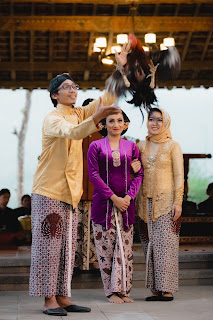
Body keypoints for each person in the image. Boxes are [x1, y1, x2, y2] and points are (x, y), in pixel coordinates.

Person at [29, 43, 130, 317]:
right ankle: (48, 299)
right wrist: (96, 116)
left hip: (70, 194)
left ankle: (63, 296)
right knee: (49, 248)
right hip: (49, 191)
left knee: (67, 250)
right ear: (54, 95)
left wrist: (119, 69)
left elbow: (106, 99)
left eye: (75, 87)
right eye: (67, 88)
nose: (73, 91)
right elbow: (74, 133)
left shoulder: (77, 112)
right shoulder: (53, 118)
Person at [87, 110, 143, 304]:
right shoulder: (95, 146)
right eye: (111, 120)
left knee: (124, 249)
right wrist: (114, 198)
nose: (116, 124)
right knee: (106, 250)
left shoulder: (132, 147)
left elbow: (139, 174)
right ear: (103, 124)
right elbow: (94, 175)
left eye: (120, 120)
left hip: (126, 206)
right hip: (104, 205)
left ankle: (124, 290)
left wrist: (128, 197)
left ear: (125, 124)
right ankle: (111, 292)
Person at [134, 107, 184, 302]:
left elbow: (179, 176)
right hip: (143, 201)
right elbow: (134, 173)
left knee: (166, 245)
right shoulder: (139, 146)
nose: (154, 123)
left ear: (166, 123)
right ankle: (155, 289)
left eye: (159, 120)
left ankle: (167, 289)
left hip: (166, 202)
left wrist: (178, 201)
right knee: (149, 245)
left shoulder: (173, 146)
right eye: (151, 119)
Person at [75, 98, 99, 271]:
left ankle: (95, 260)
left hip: (97, 190)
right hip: (76, 189)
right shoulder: (77, 133)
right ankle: (76, 262)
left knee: (95, 228)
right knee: (76, 228)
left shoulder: (104, 133)